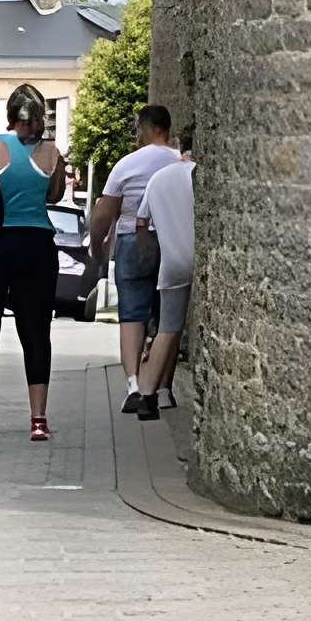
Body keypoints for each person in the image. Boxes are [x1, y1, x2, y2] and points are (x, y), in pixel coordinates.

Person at [0, 81, 68, 443]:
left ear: (11, 116)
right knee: (35, 332)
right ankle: (38, 419)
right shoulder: (51, 152)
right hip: (37, 246)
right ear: (38, 119)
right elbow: (56, 193)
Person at [88, 103, 180, 414]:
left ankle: (133, 385)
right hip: (171, 240)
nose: (136, 134)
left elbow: (104, 213)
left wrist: (97, 245)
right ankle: (163, 388)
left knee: (132, 314)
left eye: (138, 127)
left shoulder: (126, 165)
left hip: (131, 242)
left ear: (148, 127)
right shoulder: (180, 161)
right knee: (169, 314)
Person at [132, 147, 194, 419]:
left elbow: (142, 221)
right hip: (198, 253)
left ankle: (148, 395)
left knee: (168, 328)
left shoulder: (157, 179)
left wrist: (146, 257)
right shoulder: (196, 174)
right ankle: (166, 391)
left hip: (171, 261)